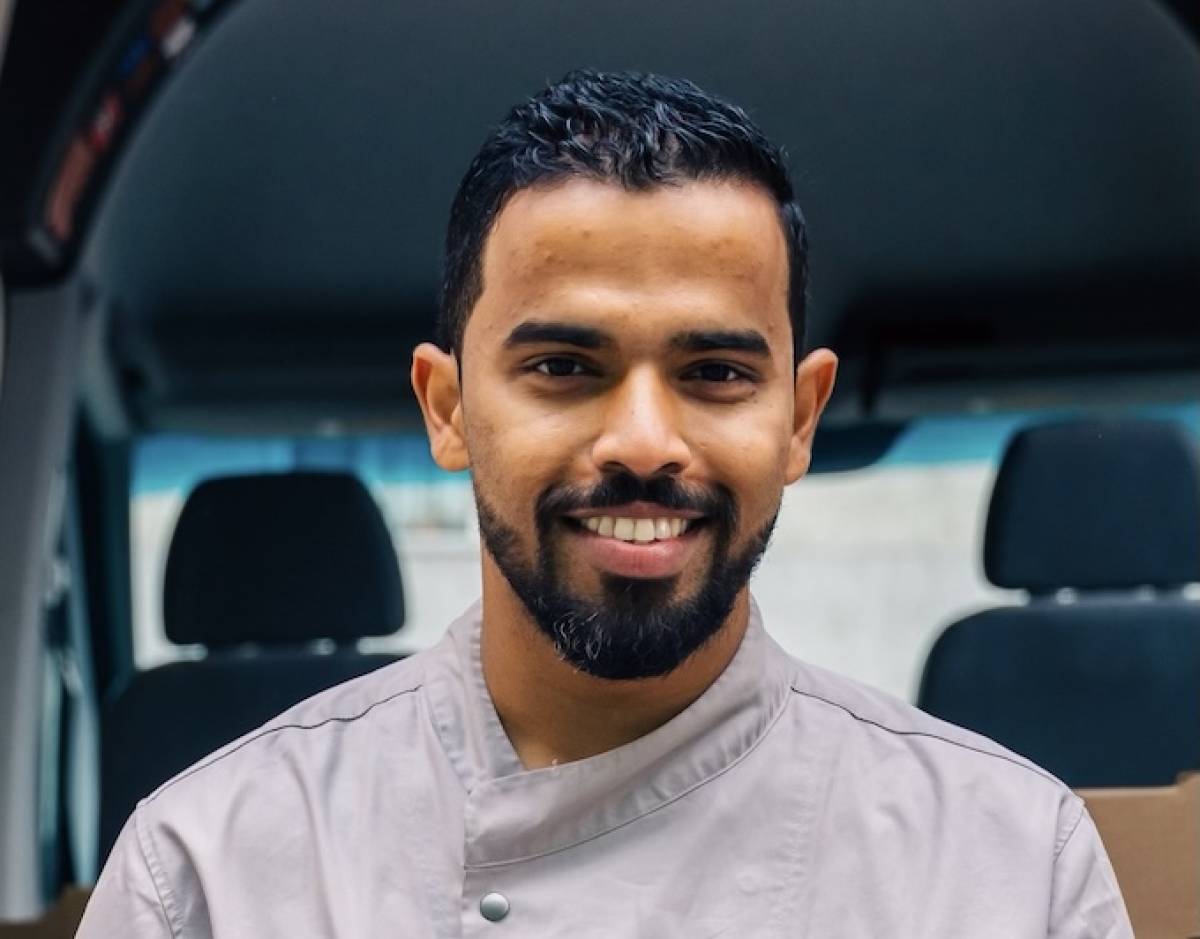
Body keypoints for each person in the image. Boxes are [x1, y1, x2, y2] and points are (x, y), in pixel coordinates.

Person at [78, 69, 1132, 937]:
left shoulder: (1007, 867)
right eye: (563, 367)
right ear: (447, 409)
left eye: (716, 371)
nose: (642, 442)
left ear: (799, 419)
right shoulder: (207, 874)